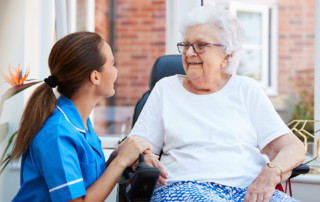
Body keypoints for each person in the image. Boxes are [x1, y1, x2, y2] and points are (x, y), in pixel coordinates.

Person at [128, 6, 305, 202]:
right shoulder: (165, 89)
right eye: (186, 45)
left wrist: (272, 173)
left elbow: (292, 147)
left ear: (227, 56)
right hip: (185, 186)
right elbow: (133, 146)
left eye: (200, 45)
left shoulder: (246, 89)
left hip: (248, 190)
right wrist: (143, 154)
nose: (189, 53)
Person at [11, 32, 150, 202]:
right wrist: (120, 161)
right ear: (95, 76)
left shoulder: (80, 122)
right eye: (112, 64)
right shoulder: (56, 133)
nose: (116, 71)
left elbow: (87, 185)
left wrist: (117, 156)